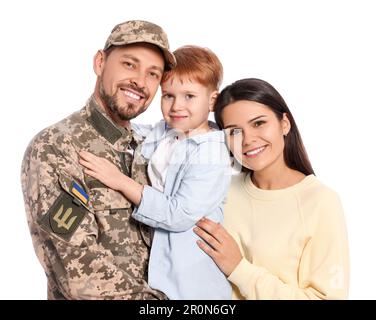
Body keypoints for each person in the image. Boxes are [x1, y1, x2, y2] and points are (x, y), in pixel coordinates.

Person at [20, 20, 176, 300]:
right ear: (100, 62)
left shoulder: (154, 151)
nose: (140, 82)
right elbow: (80, 272)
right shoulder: (57, 147)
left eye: (153, 74)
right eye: (129, 64)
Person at [79, 45, 232, 299]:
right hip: (159, 274)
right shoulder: (167, 132)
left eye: (189, 96)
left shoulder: (212, 153)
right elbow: (135, 134)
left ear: (212, 101)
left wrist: (121, 182)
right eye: (168, 95)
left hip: (193, 281)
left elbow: (179, 214)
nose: (176, 106)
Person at [194, 78, 350, 299]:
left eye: (258, 123)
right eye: (234, 132)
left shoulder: (320, 202)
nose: (247, 139)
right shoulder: (220, 190)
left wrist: (239, 269)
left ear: (284, 123)